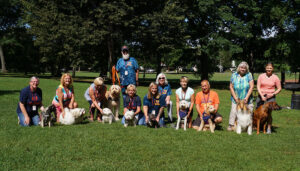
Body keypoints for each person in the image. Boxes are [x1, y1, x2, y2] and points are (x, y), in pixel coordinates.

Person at [227, 61, 254, 131]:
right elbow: (231, 87)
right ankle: (231, 125)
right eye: (241, 67)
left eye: (245, 68)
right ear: (239, 68)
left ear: (246, 69)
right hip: (236, 98)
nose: (243, 69)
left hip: (247, 98)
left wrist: (247, 97)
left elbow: (251, 86)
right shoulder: (234, 75)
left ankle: (248, 126)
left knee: (248, 112)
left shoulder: (249, 75)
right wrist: (235, 98)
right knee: (233, 111)